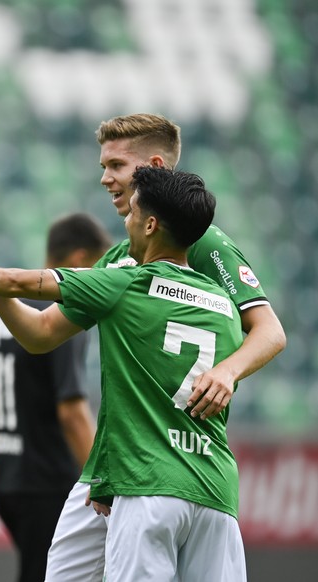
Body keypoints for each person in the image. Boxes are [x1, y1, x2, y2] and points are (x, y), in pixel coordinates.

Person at [0, 166, 248, 581]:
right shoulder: (224, 305)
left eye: (131, 213)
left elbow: (21, 282)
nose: (124, 222)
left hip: (146, 486)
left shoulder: (124, 282)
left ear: (150, 224)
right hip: (216, 491)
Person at [42, 113, 287, 581]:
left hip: (165, 462)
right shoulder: (119, 257)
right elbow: (44, 332)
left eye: (116, 165)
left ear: (153, 165)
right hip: (113, 459)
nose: (105, 178)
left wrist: (227, 372)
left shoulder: (203, 242)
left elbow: (269, 330)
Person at [0, 213, 110, 582]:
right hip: (50, 483)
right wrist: (105, 481)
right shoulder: (63, 312)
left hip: (7, 482)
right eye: (99, 268)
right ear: (80, 261)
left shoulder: (5, 311)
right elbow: (71, 410)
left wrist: (9, 453)